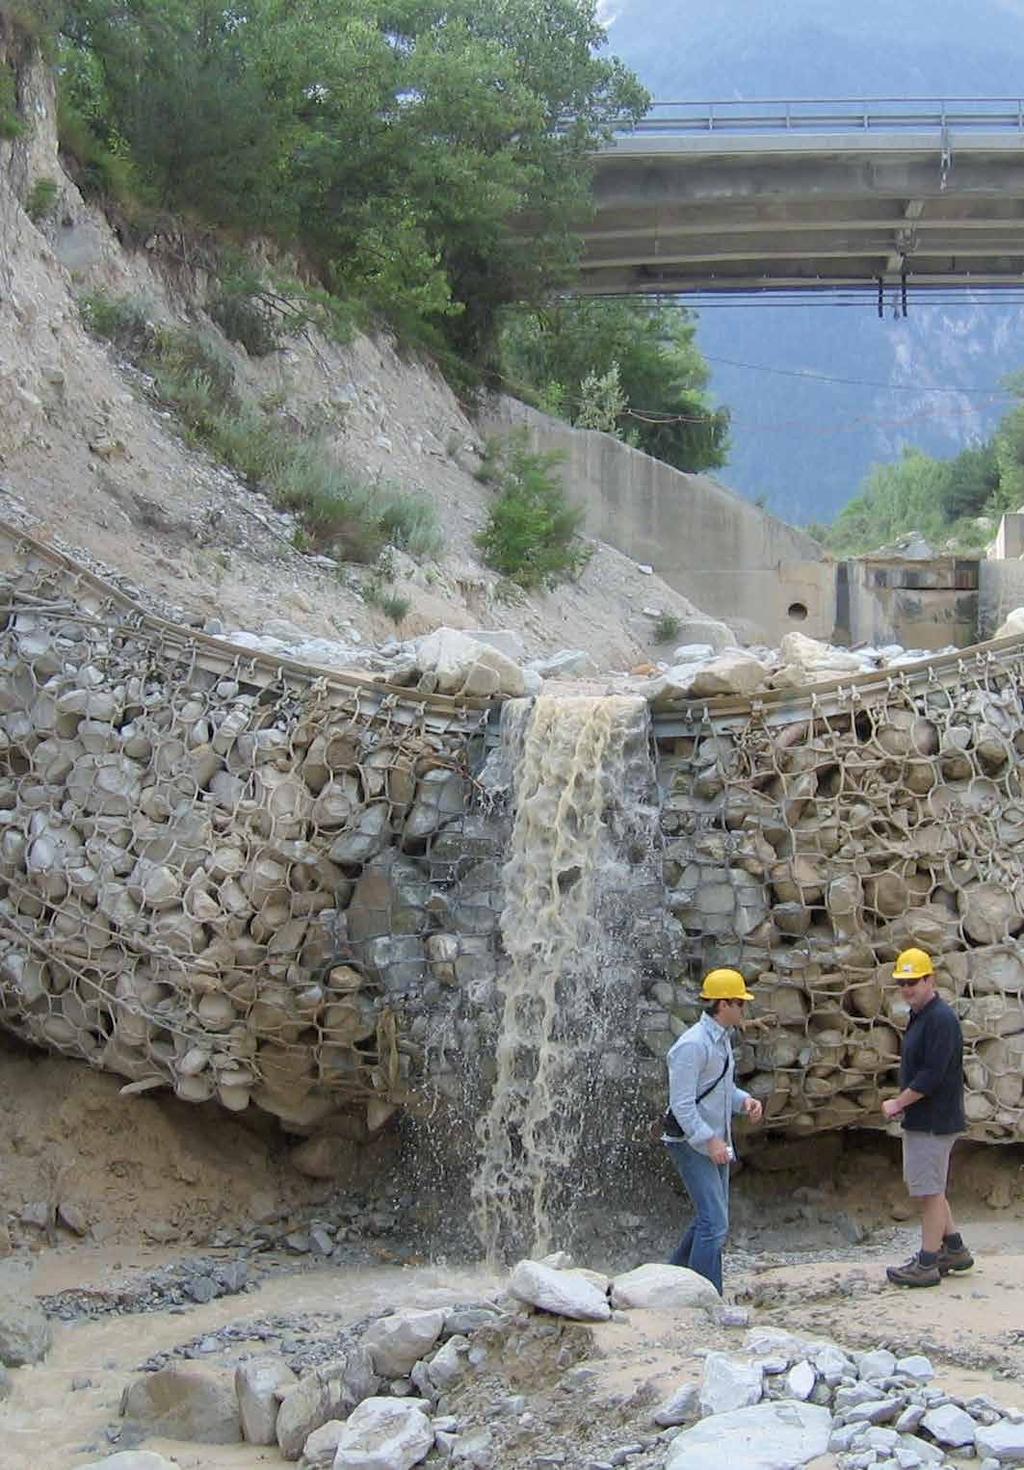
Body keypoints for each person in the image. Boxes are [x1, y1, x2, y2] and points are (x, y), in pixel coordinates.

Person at [663, 967, 763, 1295]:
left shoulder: (719, 1040)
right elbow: (682, 1104)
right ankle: (707, 1295)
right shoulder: (692, 1045)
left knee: (710, 1218)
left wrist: (745, 1101)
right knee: (715, 1223)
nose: (743, 1009)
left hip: (714, 1143)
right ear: (723, 1005)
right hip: (692, 1144)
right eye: (739, 1003)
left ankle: (671, 1278)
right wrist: (710, 1139)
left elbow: (721, 1089)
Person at [881, 947, 973, 1288]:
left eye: (913, 982)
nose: (907, 989)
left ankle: (927, 1263)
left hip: (933, 1120)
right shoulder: (923, 1015)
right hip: (929, 1119)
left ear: (930, 979)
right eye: (903, 983)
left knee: (930, 1192)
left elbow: (932, 1076)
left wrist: (898, 1103)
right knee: (930, 1186)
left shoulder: (939, 1019)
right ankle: (955, 1250)